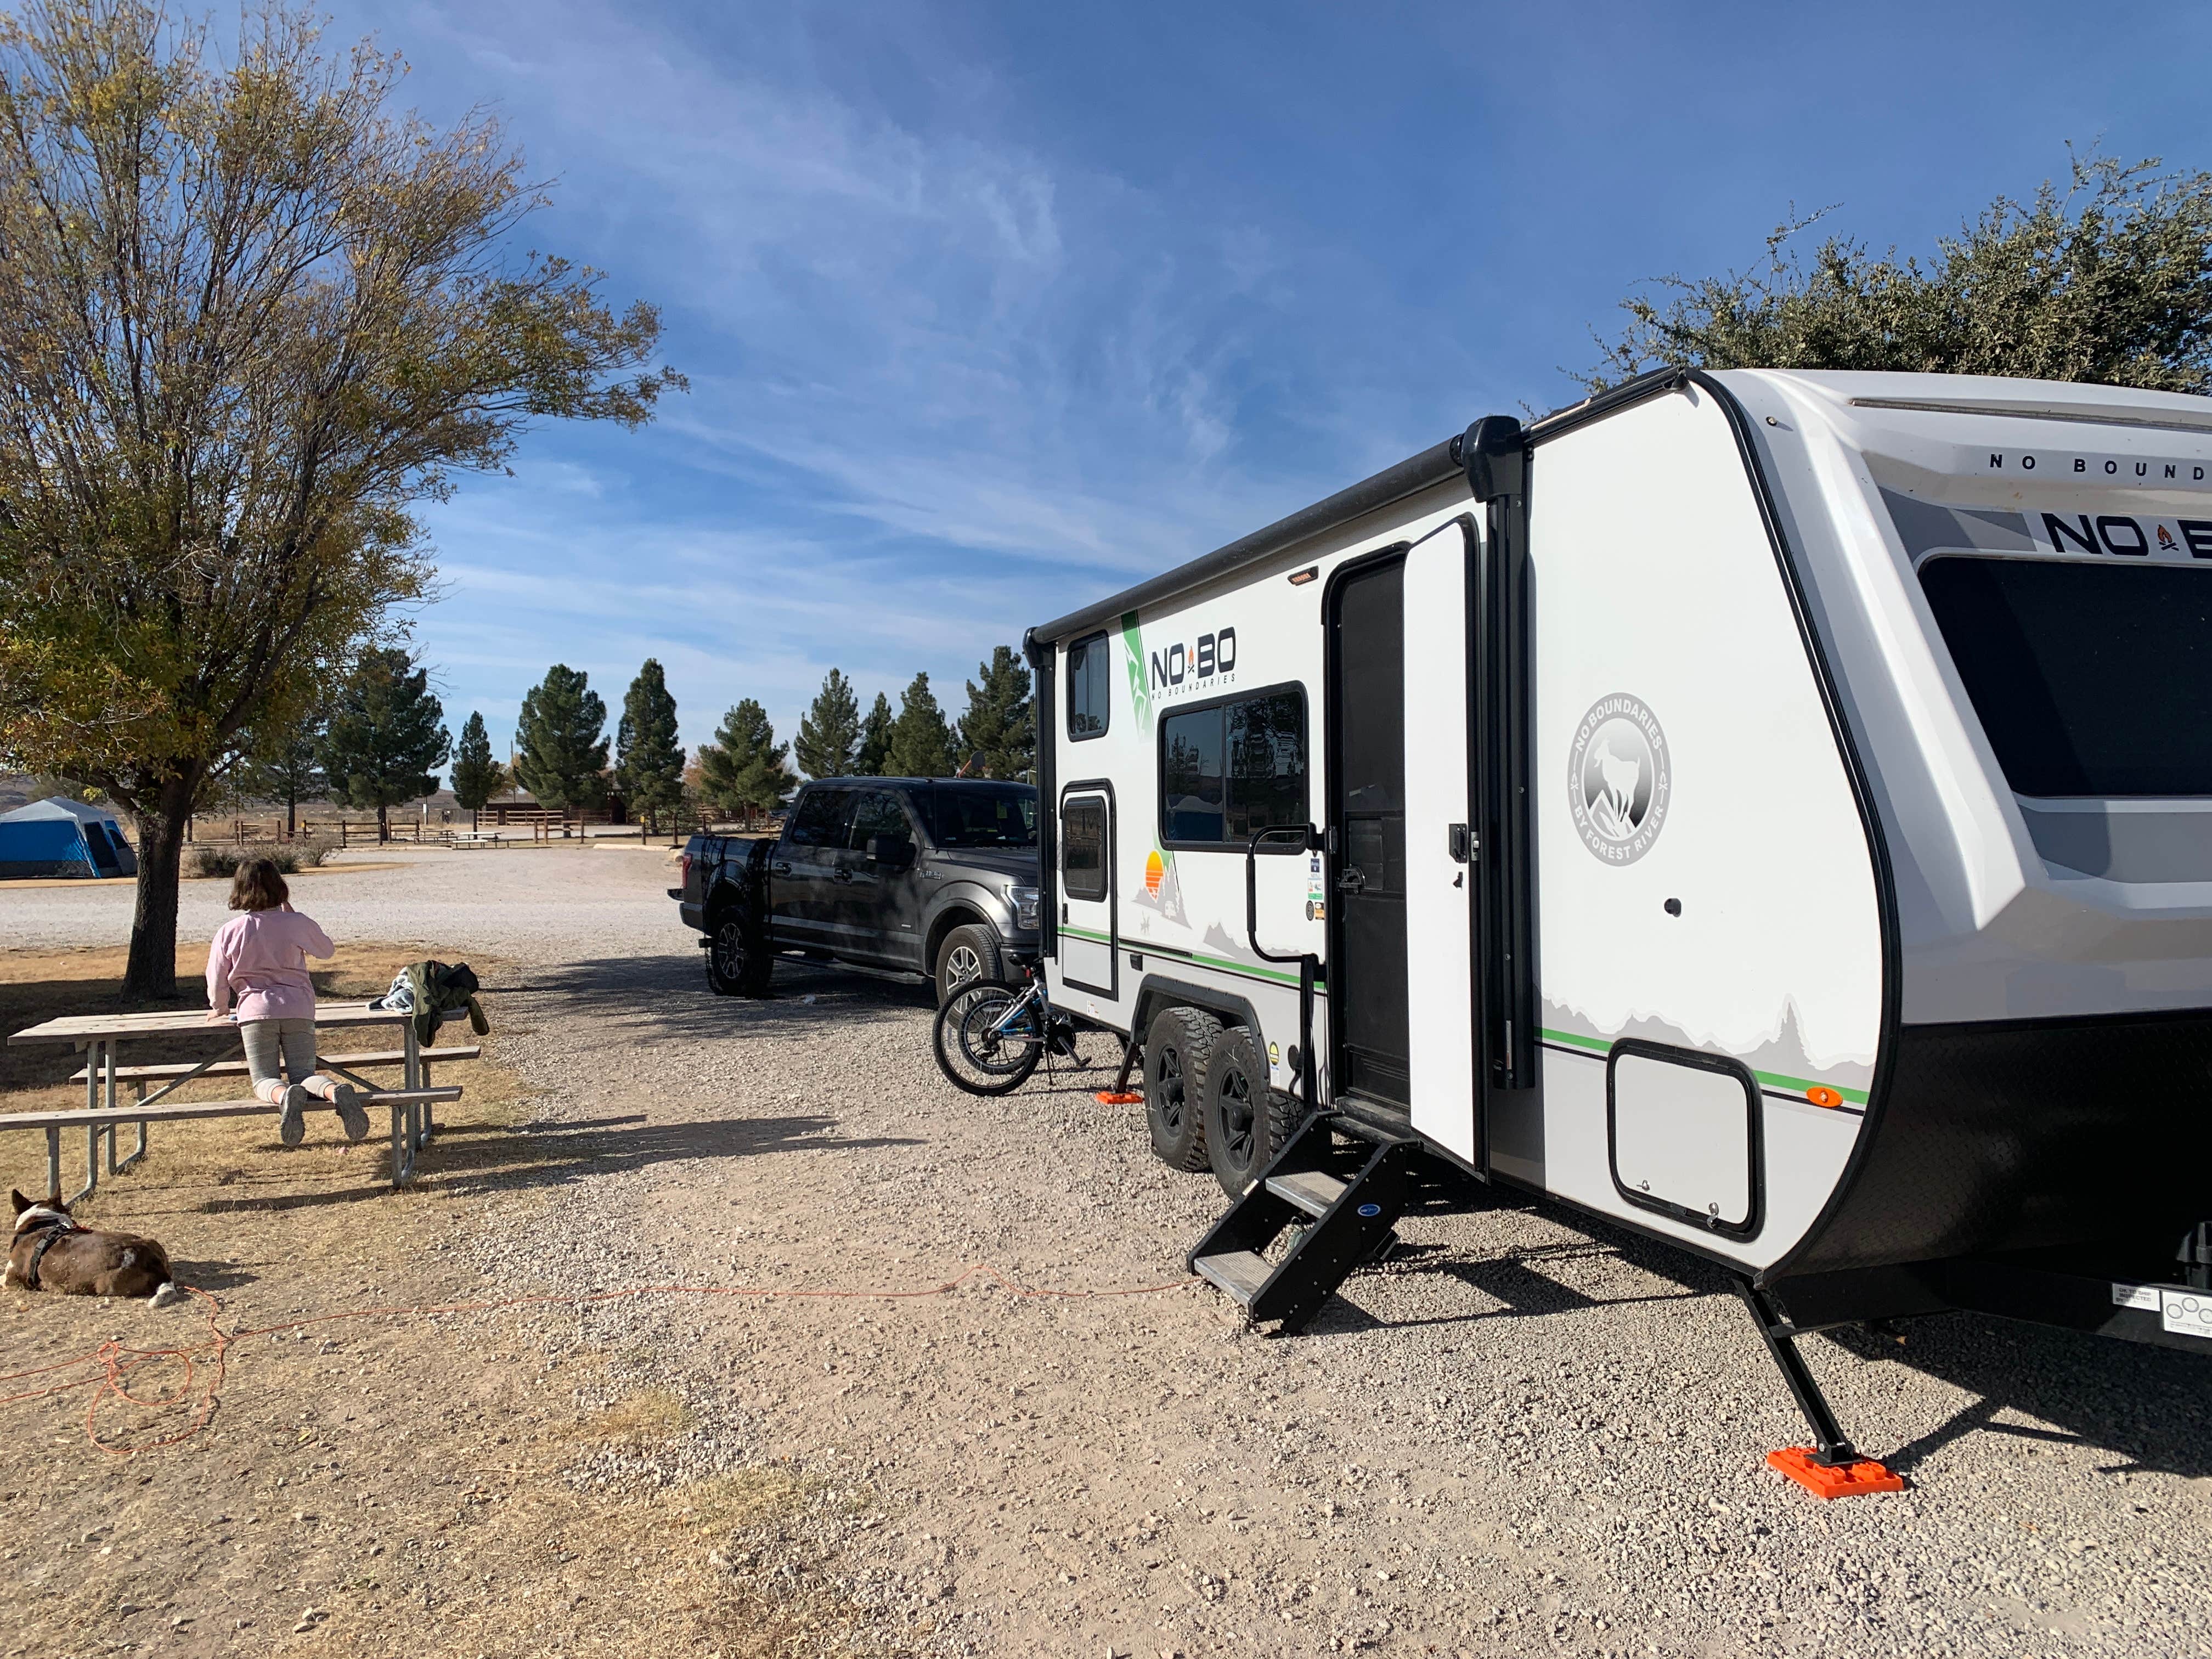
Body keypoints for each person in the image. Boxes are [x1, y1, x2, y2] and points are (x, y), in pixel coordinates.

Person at [204, 859, 369, 1147]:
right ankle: (333, 1091)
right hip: (298, 1008)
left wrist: (220, 1008)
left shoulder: (231, 931)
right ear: (280, 887)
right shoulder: (296, 923)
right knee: (305, 1074)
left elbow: (217, 977)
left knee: (264, 1079)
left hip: (255, 1011)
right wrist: (292, 915)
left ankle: (284, 1096)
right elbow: (326, 951)